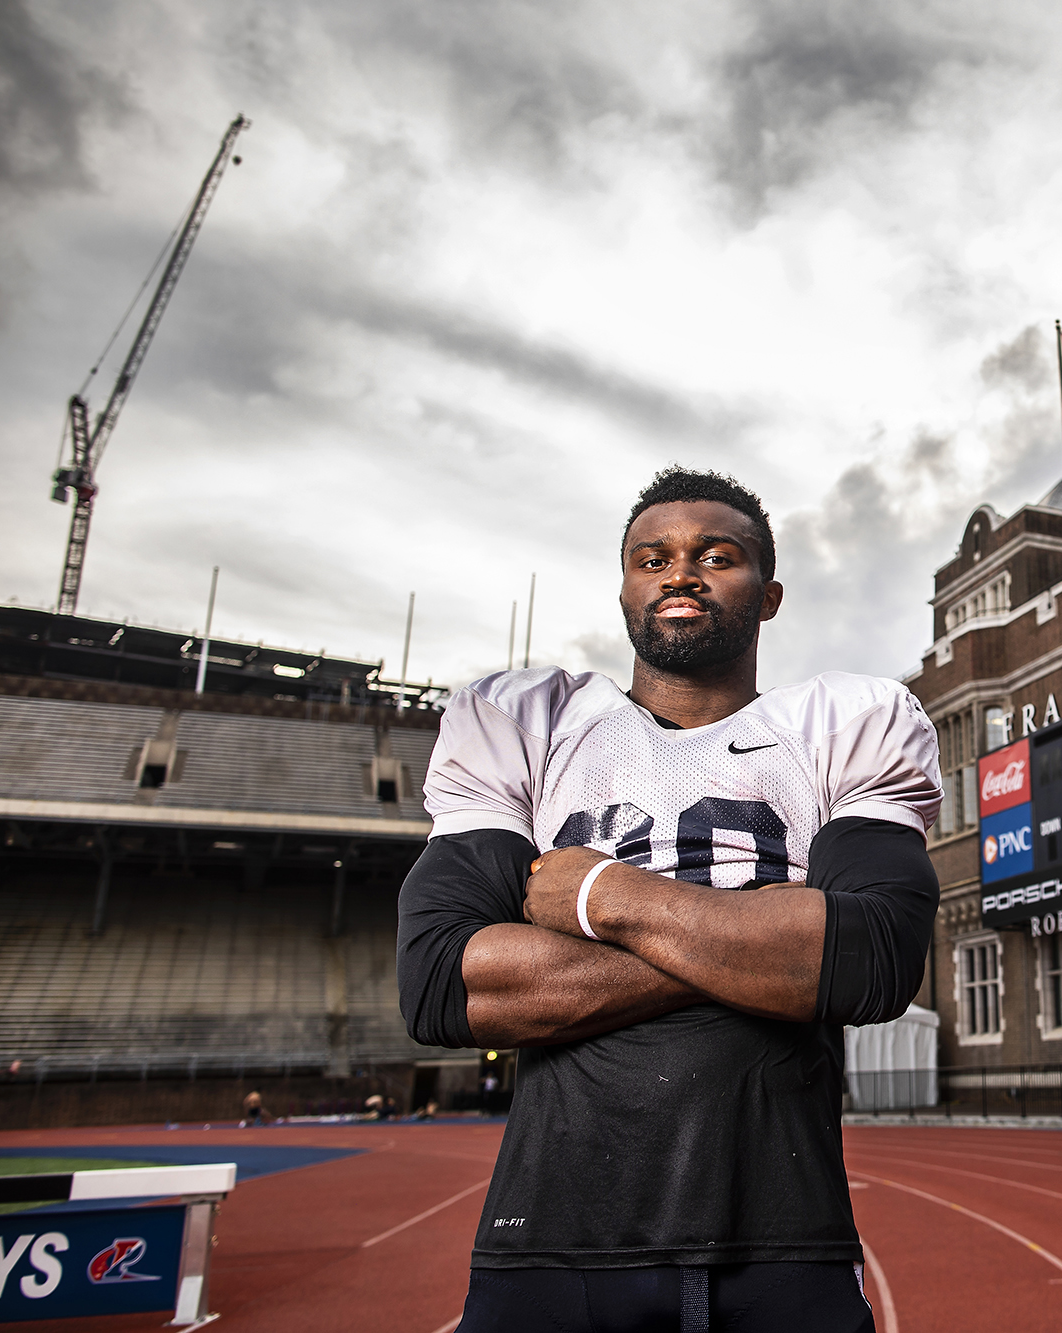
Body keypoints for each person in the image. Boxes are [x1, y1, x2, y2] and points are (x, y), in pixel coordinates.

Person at [397, 468, 940, 1333]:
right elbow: (442, 983)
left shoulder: (848, 723)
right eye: (652, 558)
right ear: (624, 588)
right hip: (549, 1235)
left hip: (780, 1238)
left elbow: (873, 959)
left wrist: (606, 895)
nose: (680, 573)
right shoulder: (525, 721)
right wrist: (772, 929)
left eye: (715, 556)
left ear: (768, 595)